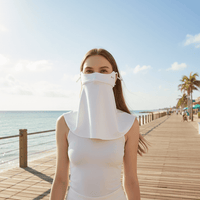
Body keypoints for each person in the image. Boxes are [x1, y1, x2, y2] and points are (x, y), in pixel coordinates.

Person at [49, 48, 150, 200]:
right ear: (81, 77)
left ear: (114, 77)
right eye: (89, 71)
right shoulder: (65, 123)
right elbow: (61, 180)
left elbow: (131, 181)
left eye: (103, 71)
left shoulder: (129, 124)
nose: (96, 76)